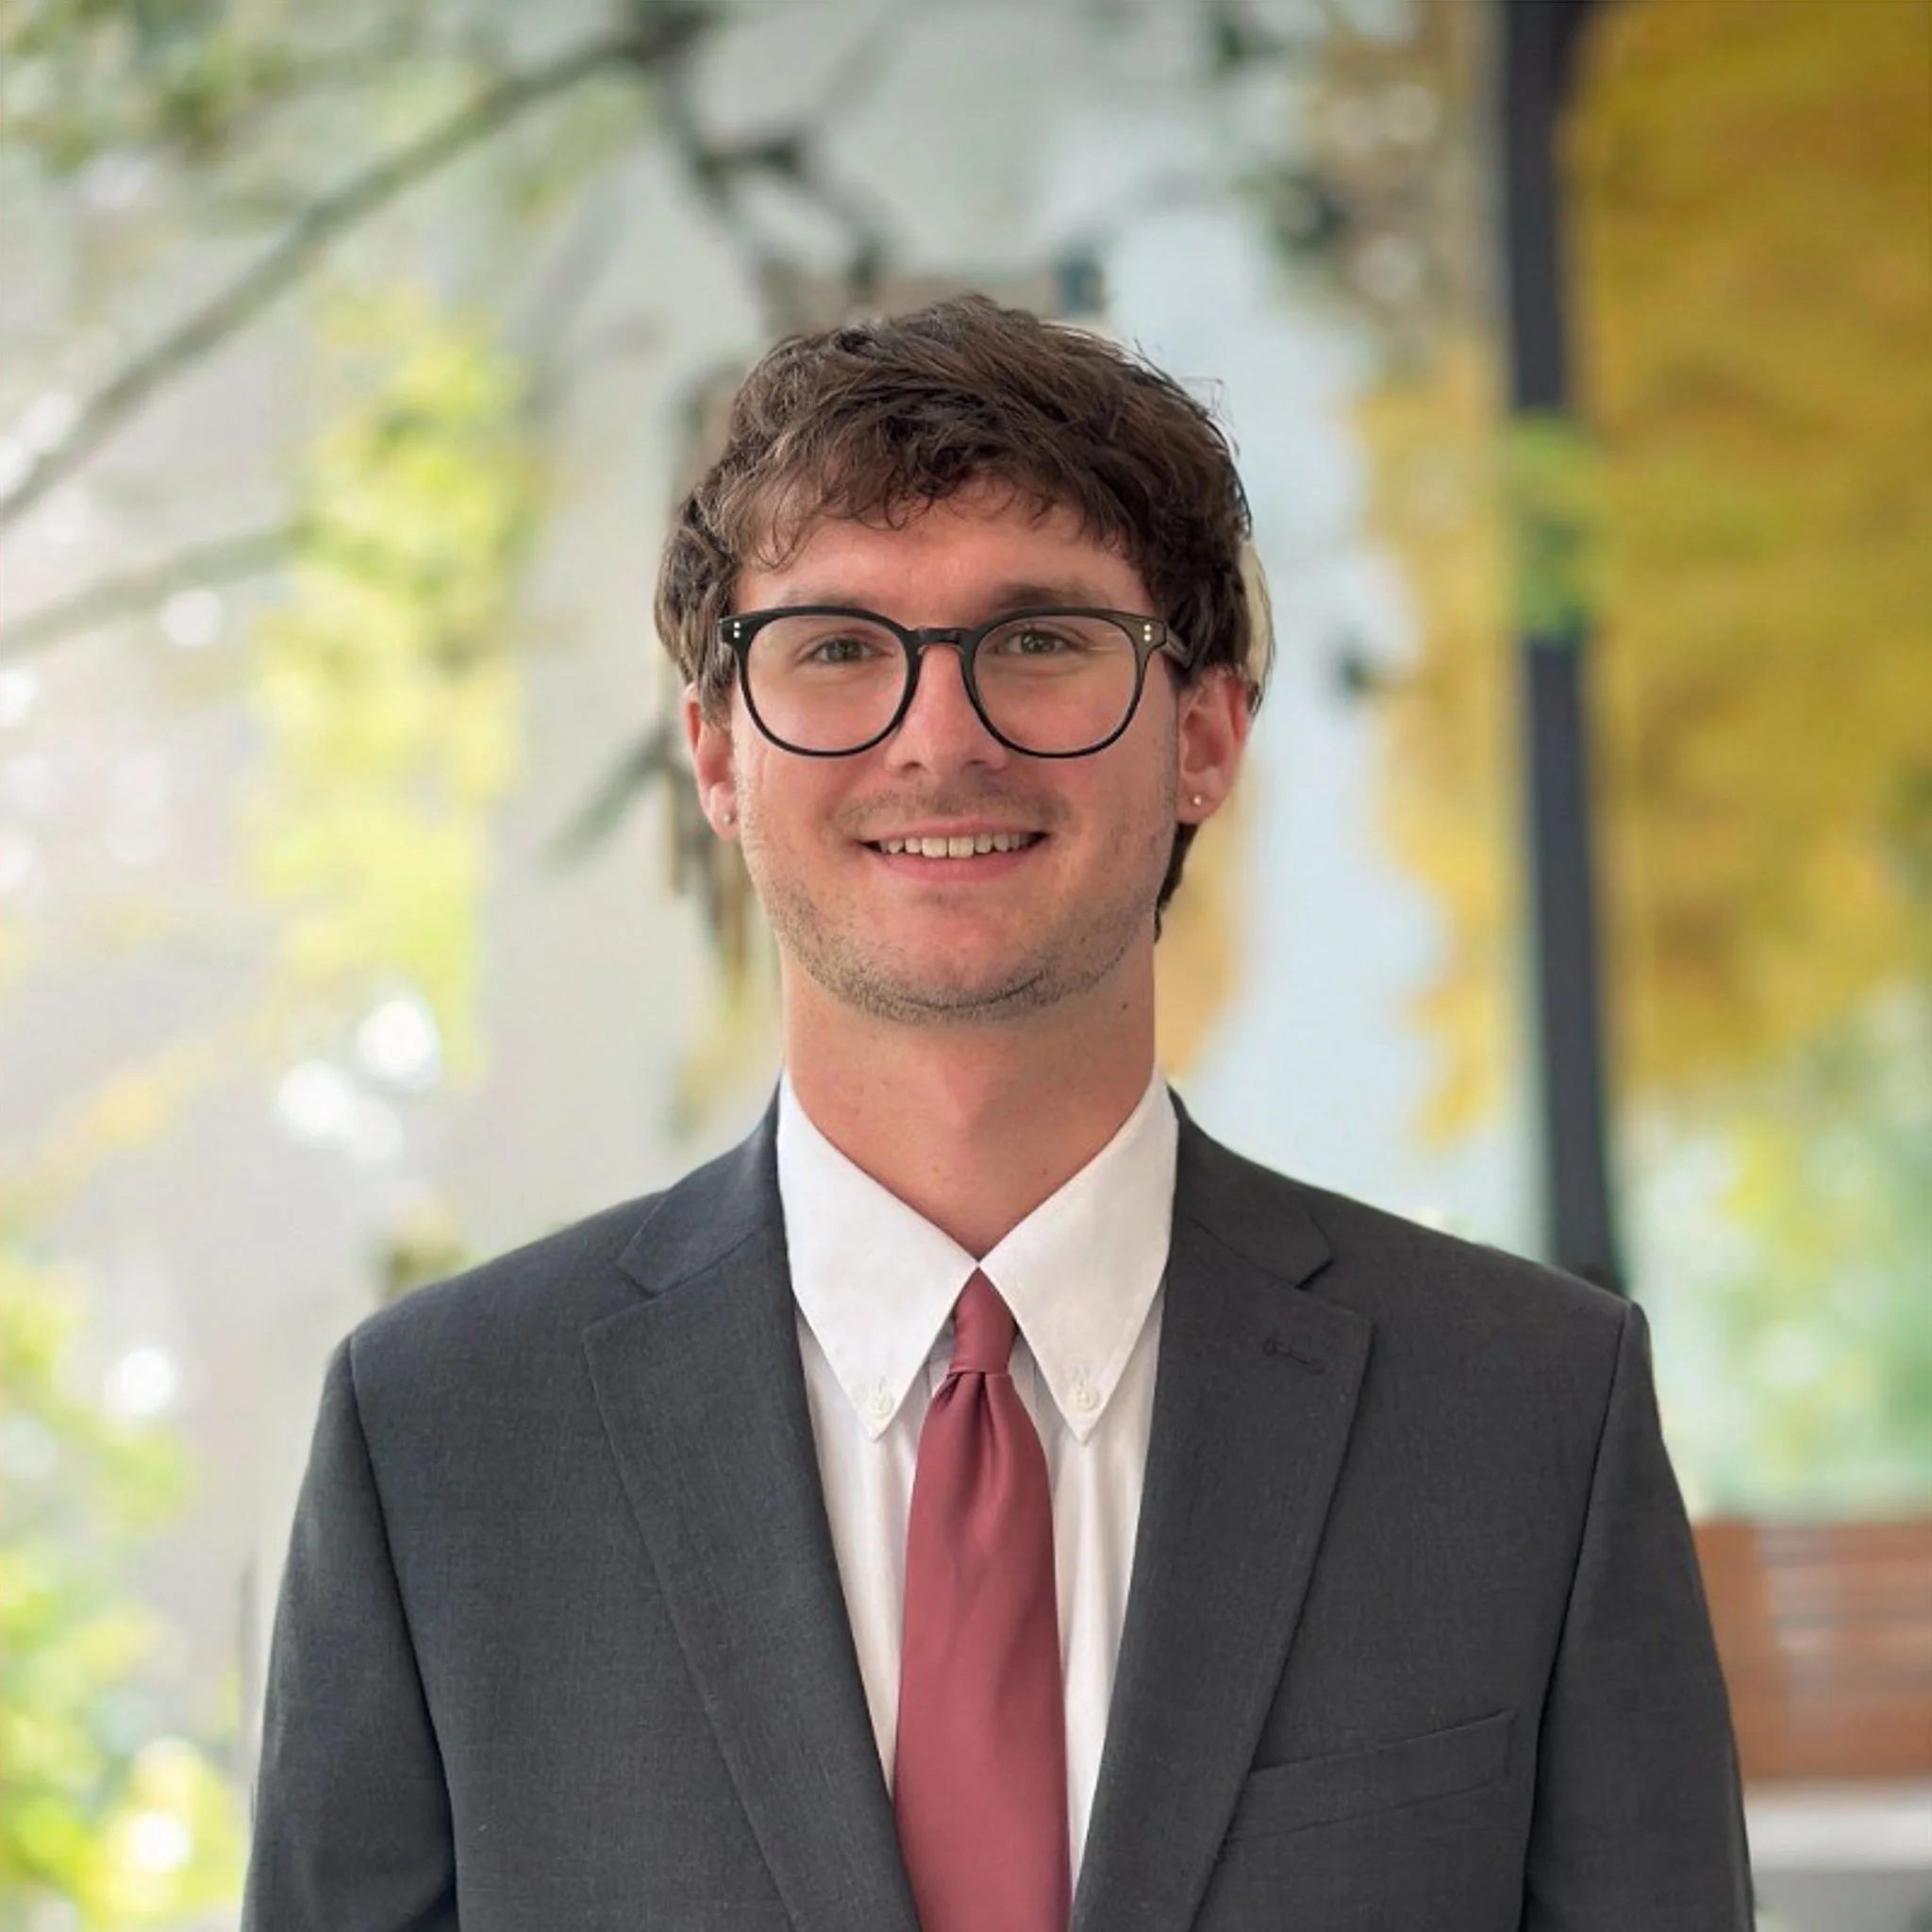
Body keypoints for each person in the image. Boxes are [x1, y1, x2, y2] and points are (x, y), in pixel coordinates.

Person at [243, 294, 1752, 1932]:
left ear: (1205, 735)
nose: (940, 740)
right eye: (835, 651)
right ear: (718, 758)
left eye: (1038, 641)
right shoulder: (444, 1444)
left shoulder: (1528, 1413)